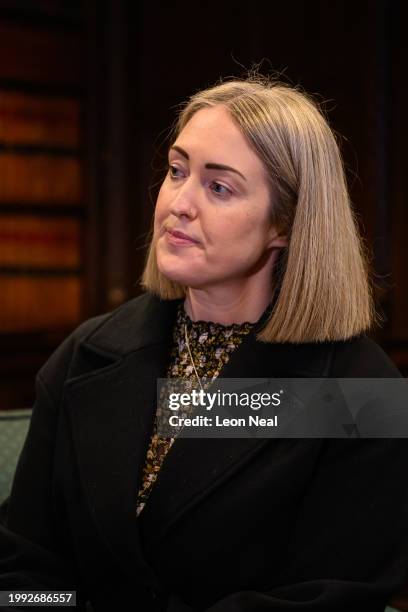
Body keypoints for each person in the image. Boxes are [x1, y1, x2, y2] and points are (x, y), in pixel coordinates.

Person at [0, 74, 407, 612]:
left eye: (219, 187)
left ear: (284, 223)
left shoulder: (361, 392)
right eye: (176, 171)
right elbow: (24, 573)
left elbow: (332, 599)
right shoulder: (85, 354)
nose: (178, 203)